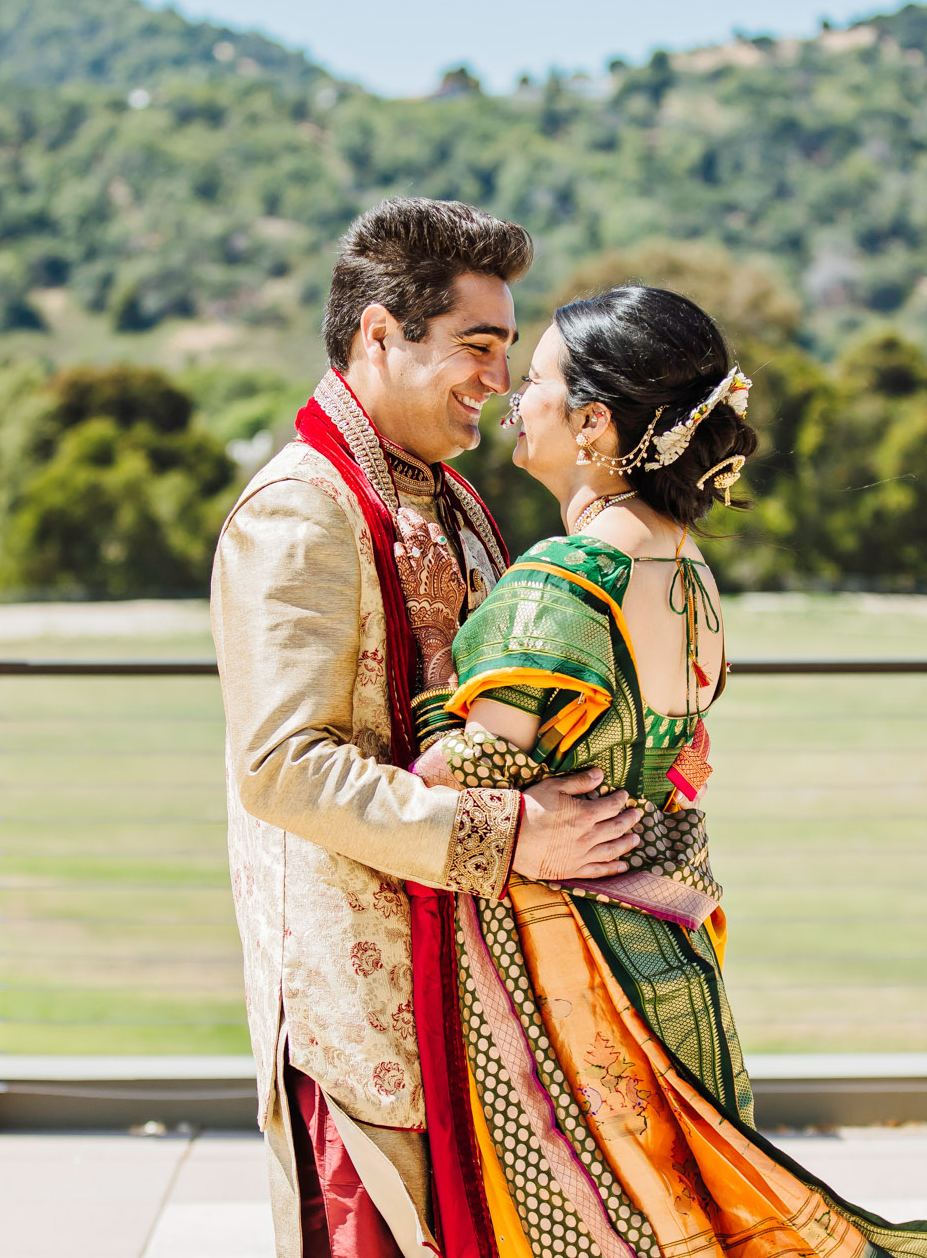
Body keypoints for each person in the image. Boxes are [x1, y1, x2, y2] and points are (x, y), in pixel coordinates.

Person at [399, 286, 927, 1257]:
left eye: (533, 382)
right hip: (673, 949)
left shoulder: (562, 583)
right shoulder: (687, 570)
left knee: (586, 1220)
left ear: (592, 425)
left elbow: (452, 779)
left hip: (571, 972)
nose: (510, 400)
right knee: (685, 1211)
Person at [212, 198, 645, 1258]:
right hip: (366, 1031)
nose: (499, 380)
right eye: (477, 346)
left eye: (505, 349)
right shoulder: (301, 508)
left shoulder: (447, 496)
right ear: (378, 334)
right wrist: (511, 836)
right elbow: (282, 767)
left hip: (471, 1003)